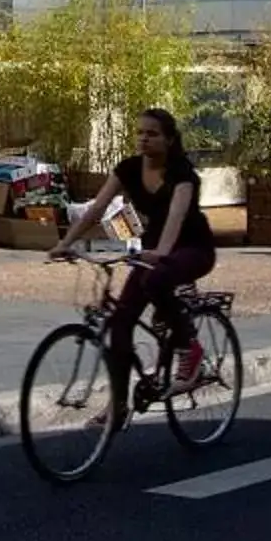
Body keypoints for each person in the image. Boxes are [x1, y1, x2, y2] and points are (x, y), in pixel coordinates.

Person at [53, 107, 218, 402]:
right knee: (119, 323)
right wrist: (66, 242)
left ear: (169, 140)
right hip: (154, 248)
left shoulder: (183, 174)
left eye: (152, 134)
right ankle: (117, 408)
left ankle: (189, 348)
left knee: (155, 281)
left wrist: (162, 253)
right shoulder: (128, 169)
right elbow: (96, 209)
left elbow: (177, 216)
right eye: (140, 132)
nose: (143, 139)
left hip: (193, 248)